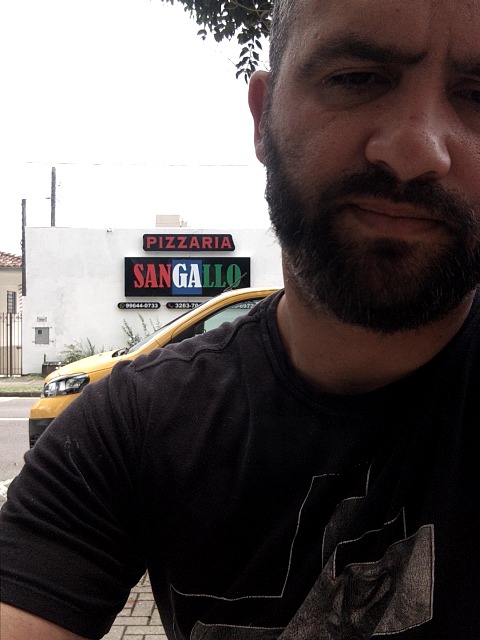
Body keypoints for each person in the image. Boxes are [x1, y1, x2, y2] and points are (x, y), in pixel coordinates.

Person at [1, 0, 480, 637]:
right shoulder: (130, 430)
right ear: (262, 118)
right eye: (358, 77)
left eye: (477, 95)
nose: (418, 150)